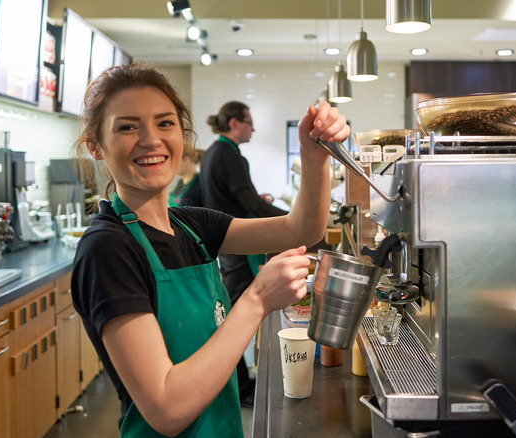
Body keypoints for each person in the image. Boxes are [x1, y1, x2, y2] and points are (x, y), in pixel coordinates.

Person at [70, 62, 348, 438]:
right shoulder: (107, 249)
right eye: (127, 126)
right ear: (96, 147)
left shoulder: (191, 225)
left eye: (165, 123)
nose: (151, 139)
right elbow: (166, 409)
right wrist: (257, 299)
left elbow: (301, 228)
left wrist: (314, 156)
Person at [200, 101, 287, 405]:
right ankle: (241, 388)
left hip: (222, 246)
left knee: (227, 312)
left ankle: (240, 383)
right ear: (235, 123)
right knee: (235, 317)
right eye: (250, 122)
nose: (253, 128)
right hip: (235, 249)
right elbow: (250, 203)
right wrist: (292, 220)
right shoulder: (231, 155)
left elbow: (202, 197)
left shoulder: (212, 152)